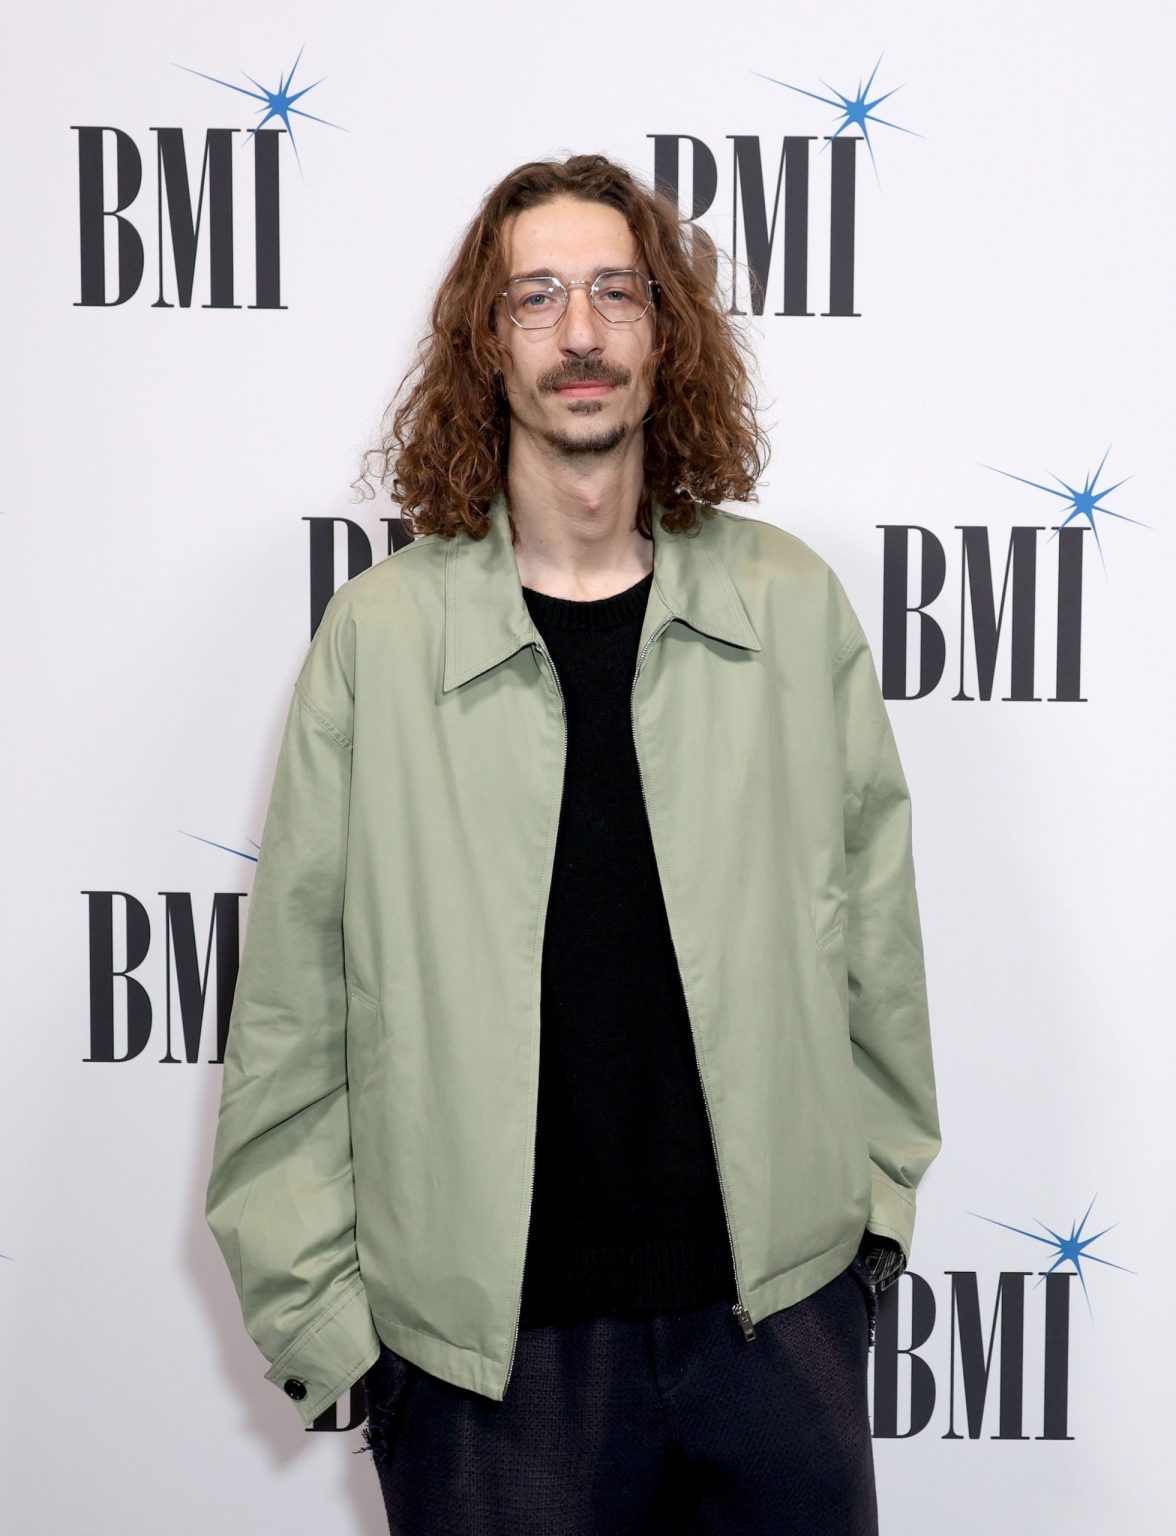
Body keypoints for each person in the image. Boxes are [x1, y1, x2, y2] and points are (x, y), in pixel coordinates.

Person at [205, 152, 941, 1534]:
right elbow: (293, 1013)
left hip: (775, 1332)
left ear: (669, 330)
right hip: (491, 1373)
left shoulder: (793, 610)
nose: (582, 335)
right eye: (536, 299)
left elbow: (880, 961)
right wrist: (345, 1340)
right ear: (489, 345)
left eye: (616, 292)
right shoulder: (379, 642)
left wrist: (868, 1237)